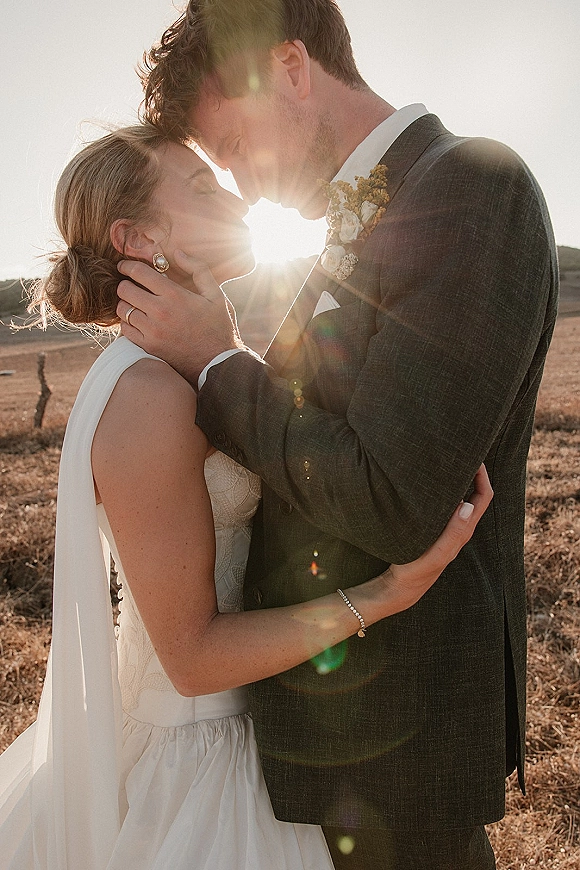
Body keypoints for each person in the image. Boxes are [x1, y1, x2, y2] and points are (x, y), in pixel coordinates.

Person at [112, 1, 560, 868]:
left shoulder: (472, 186)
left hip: (402, 740)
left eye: (235, 148)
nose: (241, 185)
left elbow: (394, 498)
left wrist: (215, 362)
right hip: (328, 739)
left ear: (290, 68)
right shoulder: (366, 212)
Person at [0, 125, 492, 870]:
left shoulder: (195, 368)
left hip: (265, 725)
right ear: (136, 238)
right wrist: (387, 595)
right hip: (198, 757)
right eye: (201, 189)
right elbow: (193, 658)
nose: (233, 199)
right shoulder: (147, 397)